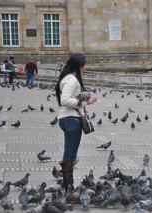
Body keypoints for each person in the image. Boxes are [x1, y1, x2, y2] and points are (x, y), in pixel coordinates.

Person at [55, 53, 97, 191]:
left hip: (67, 118)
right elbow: (65, 100)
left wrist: (83, 98)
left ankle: (67, 184)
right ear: (78, 65)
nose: (85, 67)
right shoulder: (72, 79)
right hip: (71, 119)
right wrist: (84, 101)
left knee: (69, 153)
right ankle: (69, 186)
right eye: (84, 64)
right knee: (70, 154)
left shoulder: (68, 78)